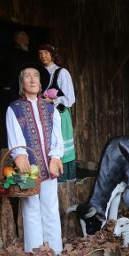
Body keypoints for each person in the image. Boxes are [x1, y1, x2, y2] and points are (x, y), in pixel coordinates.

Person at [6, 63, 64, 253]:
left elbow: (57, 137)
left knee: (51, 208)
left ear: (41, 82)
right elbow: (15, 137)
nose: (32, 80)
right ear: (22, 82)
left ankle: (54, 249)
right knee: (31, 210)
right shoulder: (14, 109)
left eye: (36, 76)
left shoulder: (50, 109)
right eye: (27, 76)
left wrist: (56, 157)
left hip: (49, 167)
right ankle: (35, 252)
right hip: (29, 169)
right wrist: (20, 154)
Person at [38, 44, 76, 182]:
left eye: (46, 53)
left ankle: (64, 180)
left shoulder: (62, 73)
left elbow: (70, 99)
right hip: (43, 114)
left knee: (61, 144)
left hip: (59, 113)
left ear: (53, 55)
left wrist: (51, 100)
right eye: (40, 53)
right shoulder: (38, 73)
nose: (43, 56)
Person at [0, 30, 36, 148]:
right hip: (12, 93)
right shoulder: (12, 55)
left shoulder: (28, 55)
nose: (28, 41)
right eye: (25, 38)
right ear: (18, 40)